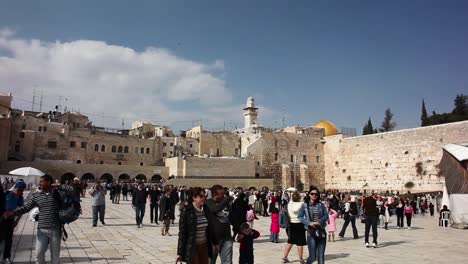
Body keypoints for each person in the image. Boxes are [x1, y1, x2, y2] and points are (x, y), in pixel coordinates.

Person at [3, 175, 74, 264]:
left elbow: (72, 190)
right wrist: (13, 213)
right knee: (38, 256)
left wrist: (59, 186)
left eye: (41, 181)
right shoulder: (37, 196)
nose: (39, 183)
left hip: (55, 229)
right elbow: (26, 207)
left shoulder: (58, 193)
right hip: (42, 230)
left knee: (55, 257)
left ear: (48, 182)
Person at [176, 187, 212, 264]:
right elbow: (182, 233)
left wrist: (215, 243)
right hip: (192, 246)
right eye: (201, 196)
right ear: (194, 198)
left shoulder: (206, 209)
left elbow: (210, 229)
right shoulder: (187, 211)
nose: (203, 198)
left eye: (204, 196)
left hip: (204, 245)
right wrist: (180, 253)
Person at [299, 186, 328, 264]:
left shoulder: (321, 205)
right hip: (311, 232)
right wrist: (309, 222)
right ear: (309, 194)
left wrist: (320, 221)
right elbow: (300, 217)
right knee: (312, 256)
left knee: (321, 256)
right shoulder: (305, 205)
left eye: (316, 194)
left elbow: (326, 215)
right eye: (312, 194)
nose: (314, 195)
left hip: (321, 231)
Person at [205, 184, 234, 264]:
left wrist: (239, 230)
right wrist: (226, 200)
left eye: (224, 193)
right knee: (210, 261)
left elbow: (231, 217)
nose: (223, 196)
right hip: (213, 240)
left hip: (226, 238)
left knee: (227, 262)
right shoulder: (208, 203)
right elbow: (215, 209)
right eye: (221, 194)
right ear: (214, 194)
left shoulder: (225, 203)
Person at [2, 181, 26, 264]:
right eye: (19, 190)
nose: (20, 192)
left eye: (22, 191)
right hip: (2, 219)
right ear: (15, 188)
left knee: (9, 240)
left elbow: (21, 211)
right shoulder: (6, 194)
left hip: (10, 220)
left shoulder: (20, 198)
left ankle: (6, 257)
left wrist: (16, 222)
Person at [282, 191, 306, 264]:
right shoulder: (301, 204)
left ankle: (284, 257)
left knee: (290, 241)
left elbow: (292, 200)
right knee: (300, 242)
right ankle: (300, 259)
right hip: (299, 224)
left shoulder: (289, 204)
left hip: (292, 224)